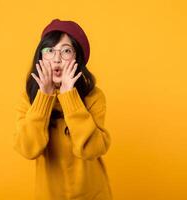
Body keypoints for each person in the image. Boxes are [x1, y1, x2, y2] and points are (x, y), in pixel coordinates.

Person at [14, 18, 113, 200]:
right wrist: (44, 98)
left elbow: (91, 150)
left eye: (66, 51)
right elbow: (28, 149)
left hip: (93, 194)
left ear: (78, 59)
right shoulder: (28, 98)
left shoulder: (94, 96)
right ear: (41, 57)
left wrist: (69, 97)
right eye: (50, 50)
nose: (57, 58)